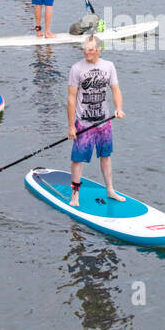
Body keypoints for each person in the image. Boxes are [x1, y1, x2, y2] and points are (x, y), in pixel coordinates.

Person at [67, 34, 125, 206]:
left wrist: (119, 109)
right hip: (83, 123)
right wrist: (71, 126)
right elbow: (71, 99)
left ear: (99, 50)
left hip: (104, 122)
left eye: (90, 50)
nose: (86, 53)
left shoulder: (109, 66)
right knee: (78, 159)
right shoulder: (76, 69)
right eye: (84, 49)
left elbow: (116, 90)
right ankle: (75, 195)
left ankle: (110, 190)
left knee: (106, 156)